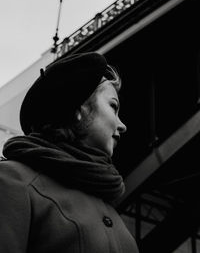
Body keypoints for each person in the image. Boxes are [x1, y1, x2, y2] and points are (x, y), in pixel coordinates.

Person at [0, 52, 139, 253]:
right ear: (79, 109)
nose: (122, 125)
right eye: (113, 106)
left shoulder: (105, 202)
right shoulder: (12, 181)